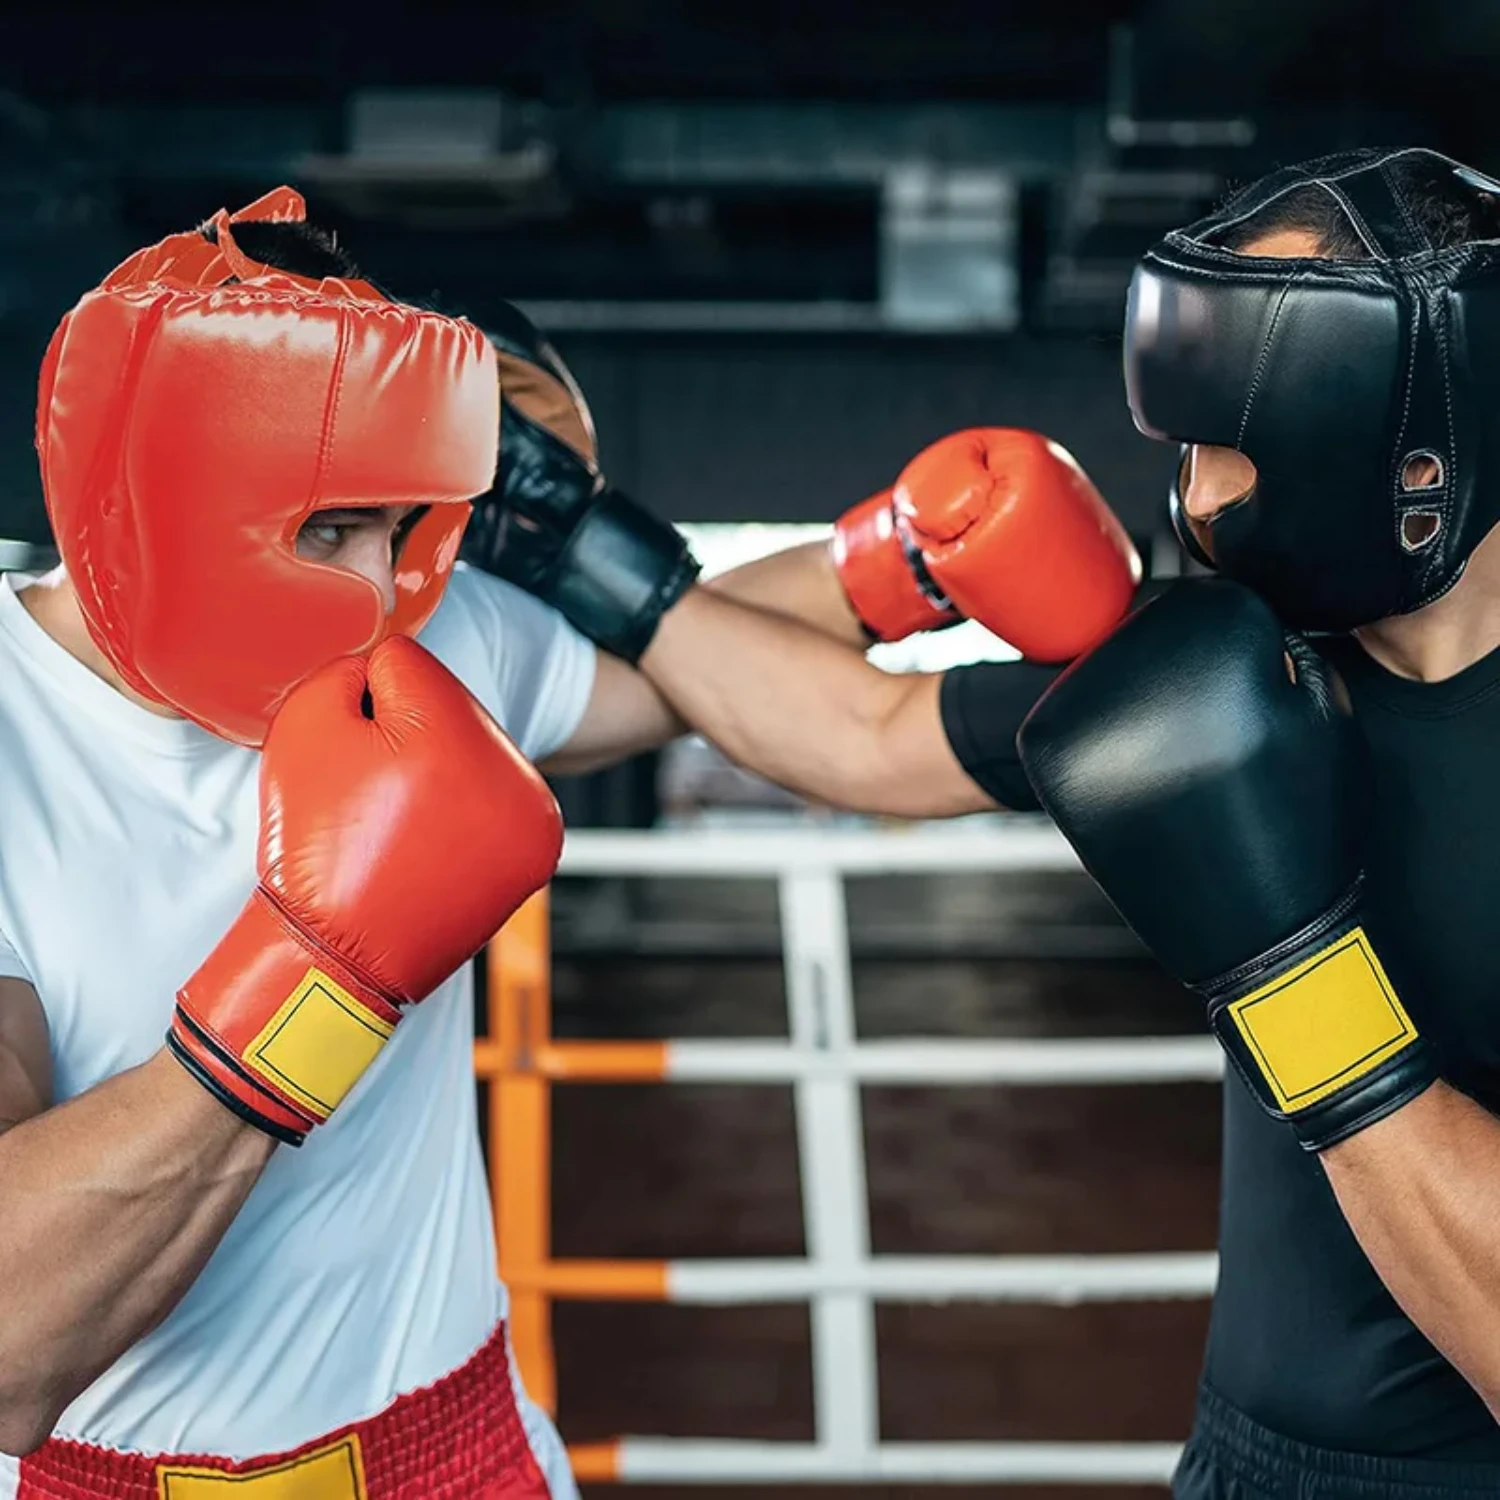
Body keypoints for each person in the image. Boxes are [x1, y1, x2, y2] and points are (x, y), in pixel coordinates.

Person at [0, 187, 1140, 1495]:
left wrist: (899, 565)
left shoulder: (405, 642)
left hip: (465, 1446)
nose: (379, 595)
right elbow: (11, 1348)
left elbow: (679, 667)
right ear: (160, 493)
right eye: (328, 532)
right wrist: (318, 978)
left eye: (401, 530)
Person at [1019, 147, 1500, 1499]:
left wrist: (1295, 982)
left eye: (1244, 448)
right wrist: (562, 537)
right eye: (1188, 448)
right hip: (1236, 1463)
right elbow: (858, 735)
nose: (1200, 501)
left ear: (1416, 454)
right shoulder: (1240, 682)